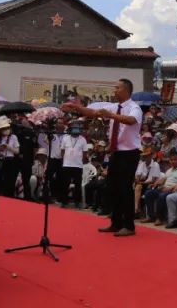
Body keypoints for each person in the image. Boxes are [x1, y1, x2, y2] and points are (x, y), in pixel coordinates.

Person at [61, 78, 143, 237]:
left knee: (125, 188)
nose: (114, 90)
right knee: (113, 187)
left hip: (129, 153)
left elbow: (131, 121)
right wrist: (76, 107)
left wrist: (111, 115)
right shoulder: (114, 107)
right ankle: (116, 222)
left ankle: (129, 225)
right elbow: (92, 112)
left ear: (126, 90)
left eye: (117, 88)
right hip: (116, 152)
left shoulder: (134, 107)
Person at [56, 120, 88, 207]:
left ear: (80, 130)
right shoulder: (65, 138)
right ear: (71, 129)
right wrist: (64, 160)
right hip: (66, 165)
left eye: (77, 129)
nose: (76, 130)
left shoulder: (83, 139)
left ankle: (77, 202)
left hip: (78, 165)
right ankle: (64, 201)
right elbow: (62, 150)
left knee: (78, 185)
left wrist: (81, 160)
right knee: (65, 184)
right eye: (74, 128)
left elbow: (85, 152)